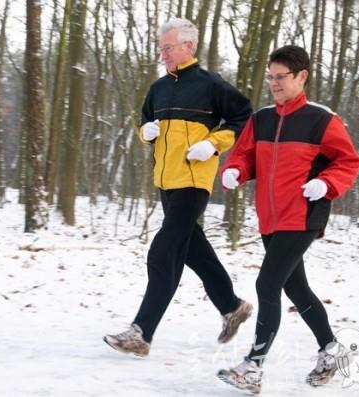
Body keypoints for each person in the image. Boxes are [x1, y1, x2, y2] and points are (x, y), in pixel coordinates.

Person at [103, 18, 253, 357]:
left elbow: (244, 117)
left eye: (168, 47)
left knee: (164, 250)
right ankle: (232, 306)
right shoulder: (158, 87)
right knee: (191, 249)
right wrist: (146, 132)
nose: (163, 53)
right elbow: (144, 121)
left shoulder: (211, 85)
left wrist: (213, 144)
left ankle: (141, 332)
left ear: (189, 46)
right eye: (161, 48)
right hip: (165, 180)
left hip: (194, 179)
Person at [216, 45, 359, 394]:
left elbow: (349, 161)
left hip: (303, 215)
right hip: (270, 218)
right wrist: (235, 170)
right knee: (295, 287)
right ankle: (331, 350)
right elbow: (245, 155)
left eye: (281, 77)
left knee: (267, 284)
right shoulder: (261, 119)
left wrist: (325, 183)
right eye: (271, 77)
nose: (274, 83)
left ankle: (253, 366)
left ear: (302, 77)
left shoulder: (321, 119)